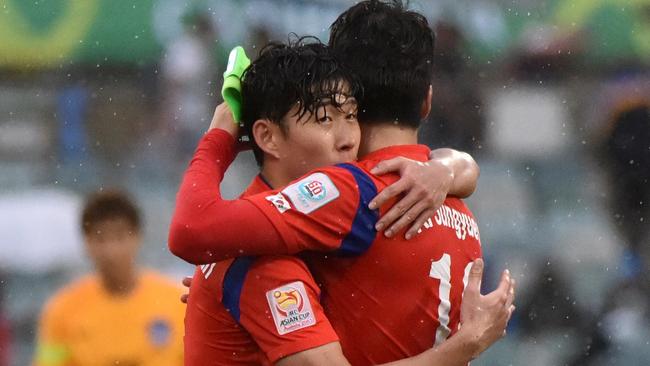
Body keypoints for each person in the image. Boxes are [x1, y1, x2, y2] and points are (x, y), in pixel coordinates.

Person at [171, 1, 514, 364]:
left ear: (357, 101)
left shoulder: (351, 195)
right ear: (427, 101)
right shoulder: (457, 207)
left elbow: (195, 230)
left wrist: (219, 141)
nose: (345, 136)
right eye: (325, 117)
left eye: (348, 115)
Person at [34, 189, 184, 366]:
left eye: (119, 237)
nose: (111, 251)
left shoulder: (178, 302)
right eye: (101, 239)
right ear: (86, 242)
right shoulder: (62, 311)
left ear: (138, 236)